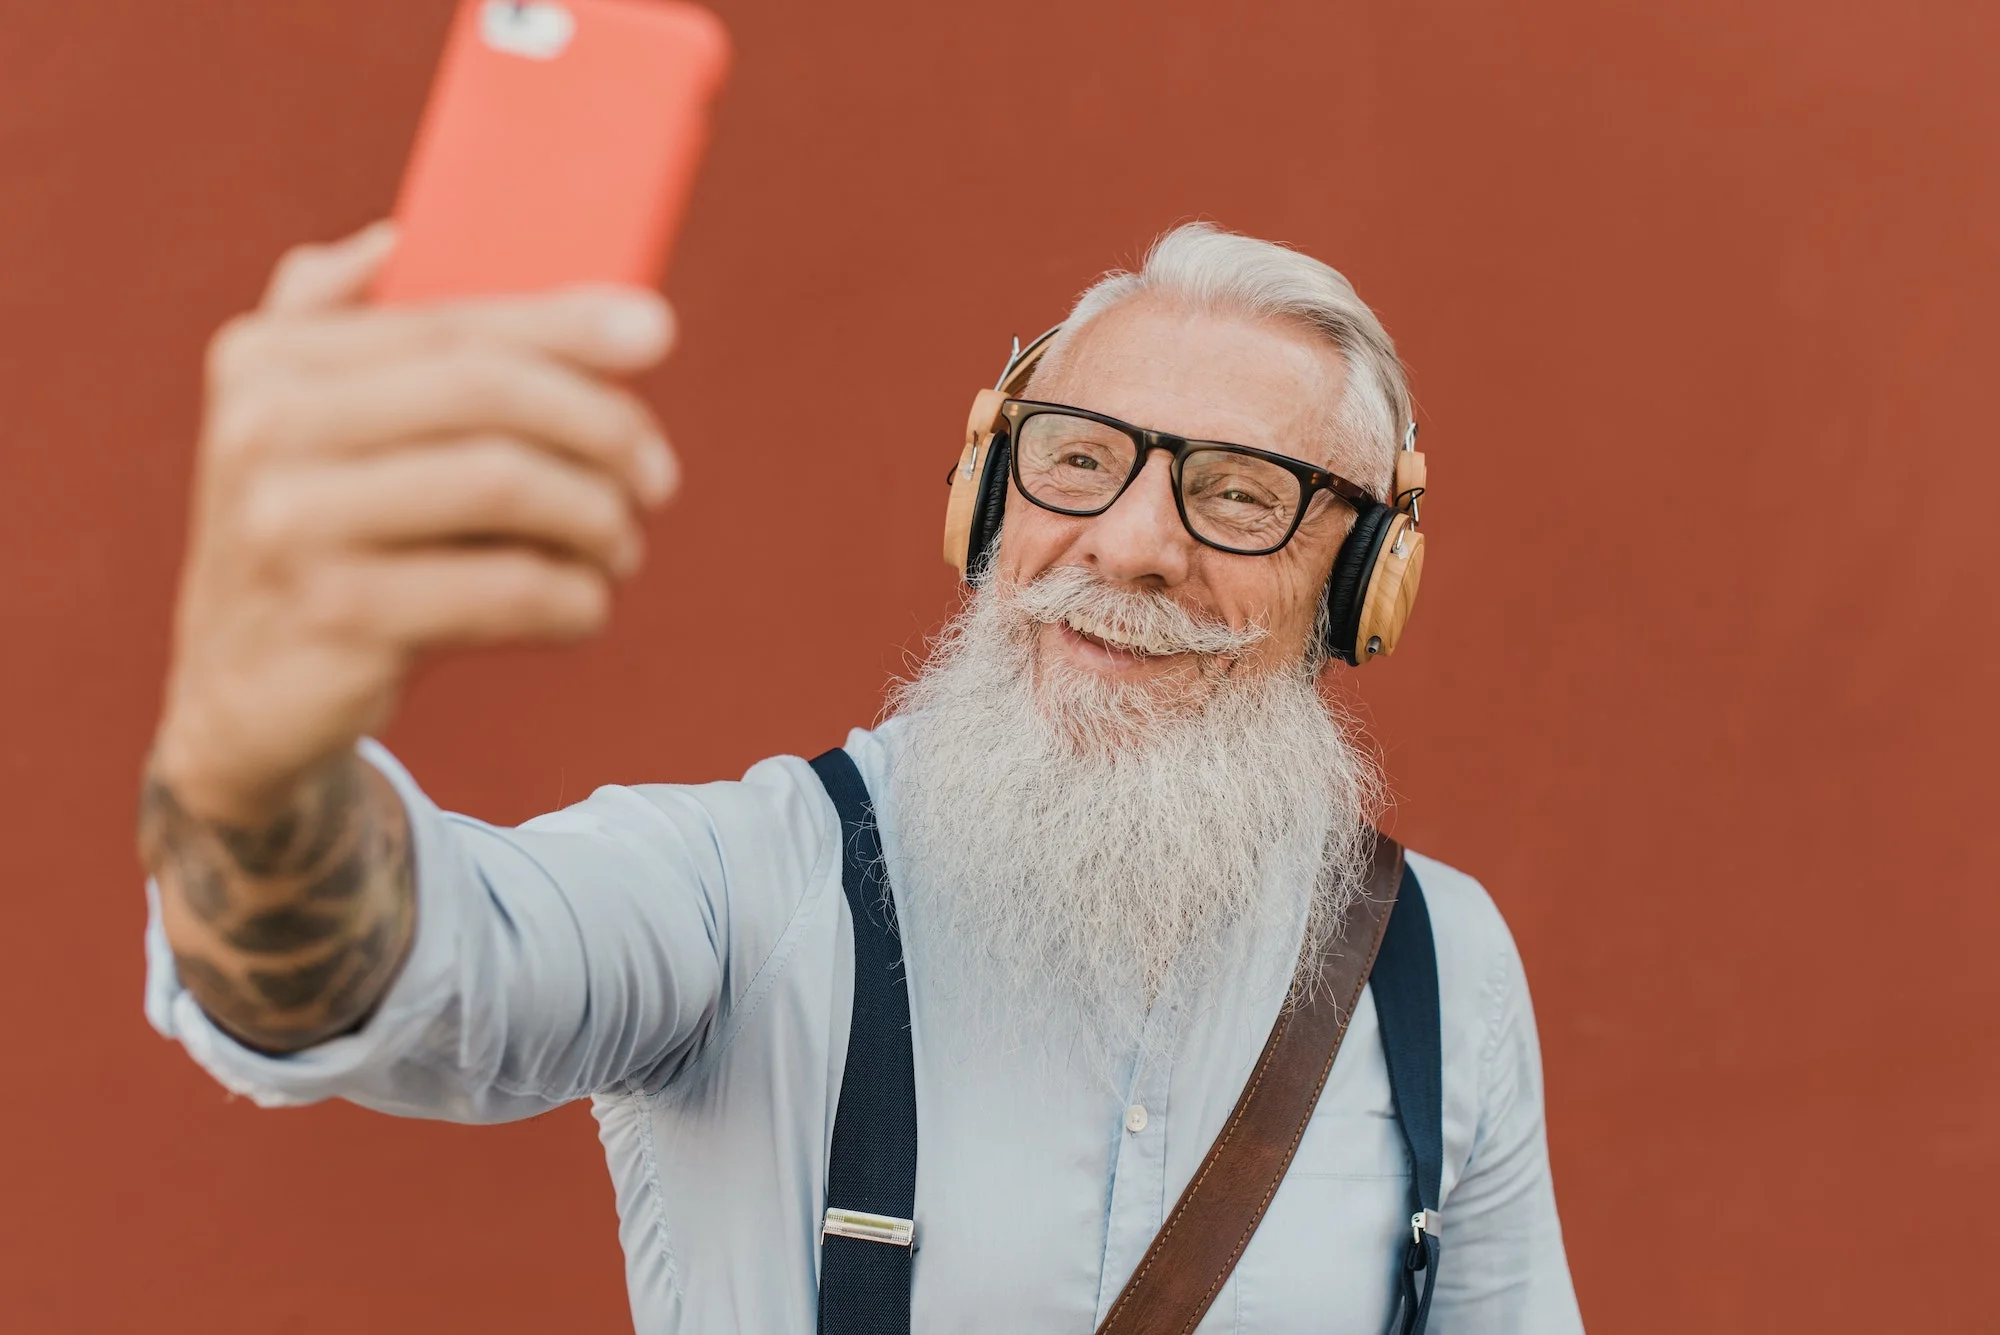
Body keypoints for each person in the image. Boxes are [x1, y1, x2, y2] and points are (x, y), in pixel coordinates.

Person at [140, 219, 1584, 1332]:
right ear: (985, 499)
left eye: (1240, 495)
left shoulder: (1439, 963)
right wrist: (248, 763)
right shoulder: (753, 885)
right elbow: (388, 975)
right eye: (1077, 460)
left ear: (1363, 586)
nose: (1132, 542)